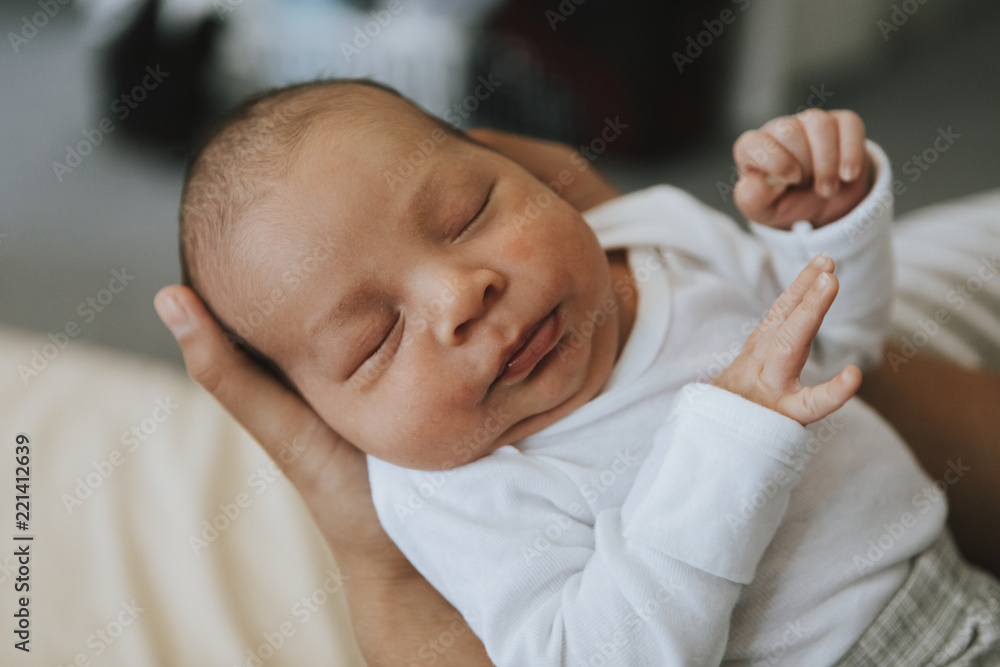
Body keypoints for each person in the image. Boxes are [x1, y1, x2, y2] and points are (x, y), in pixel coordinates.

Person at [155, 79, 1000, 665]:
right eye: (374, 340)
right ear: (329, 419)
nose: (460, 293)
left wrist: (825, 235)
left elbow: (837, 362)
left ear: (523, 166)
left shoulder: (654, 235)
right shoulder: (457, 491)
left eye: (468, 214)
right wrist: (726, 445)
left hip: (961, 589)